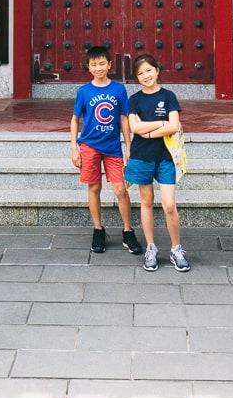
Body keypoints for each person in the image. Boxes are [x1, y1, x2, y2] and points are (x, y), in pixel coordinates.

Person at [70, 44, 144, 255]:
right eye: (94, 64)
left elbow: (123, 118)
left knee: (121, 189)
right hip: (89, 145)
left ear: (110, 65)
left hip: (113, 147)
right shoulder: (84, 91)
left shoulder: (118, 89)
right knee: (94, 188)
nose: (99, 68)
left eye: (102, 63)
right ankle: (98, 229)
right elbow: (75, 120)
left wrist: (129, 146)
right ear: (88, 67)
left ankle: (128, 232)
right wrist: (73, 148)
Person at [124, 54, 190, 272]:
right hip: (142, 156)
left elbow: (173, 126)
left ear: (157, 70)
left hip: (166, 158)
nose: (146, 76)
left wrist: (150, 130)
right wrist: (160, 124)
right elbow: (134, 128)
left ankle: (176, 248)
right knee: (147, 201)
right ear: (137, 77)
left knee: (169, 205)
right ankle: (151, 247)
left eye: (149, 70)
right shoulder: (134, 100)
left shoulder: (169, 96)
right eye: (141, 73)